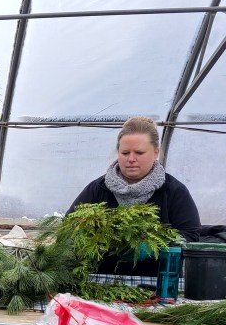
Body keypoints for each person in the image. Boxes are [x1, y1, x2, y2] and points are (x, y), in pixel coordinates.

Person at [69, 115, 200, 274]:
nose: (131, 159)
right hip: (102, 280)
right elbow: (69, 229)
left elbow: (191, 236)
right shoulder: (98, 190)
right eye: (125, 153)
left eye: (139, 152)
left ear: (156, 152)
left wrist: (153, 247)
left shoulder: (173, 191)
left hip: (158, 281)